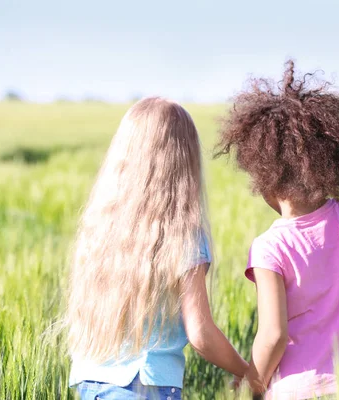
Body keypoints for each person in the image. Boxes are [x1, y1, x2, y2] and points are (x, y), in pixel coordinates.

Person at [216, 61, 339, 399]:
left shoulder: (269, 248)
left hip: (298, 388)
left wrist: (251, 385)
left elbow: (273, 336)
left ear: (263, 175)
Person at [67, 97, 248, 399]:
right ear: (184, 161)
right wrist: (248, 372)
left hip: (91, 382)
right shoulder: (182, 236)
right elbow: (201, 334)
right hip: (146, 384)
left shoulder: (99, 226)